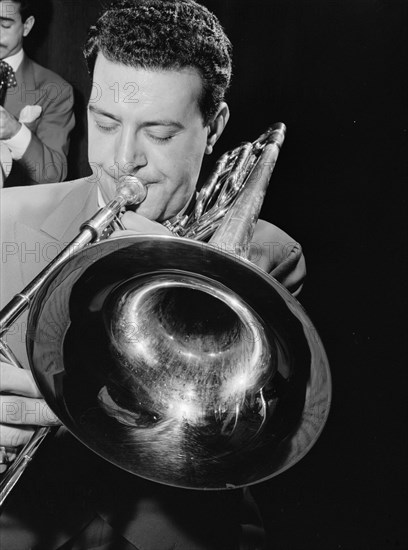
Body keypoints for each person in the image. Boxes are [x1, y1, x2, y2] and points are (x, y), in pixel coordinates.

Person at [0, 1, 306, 548]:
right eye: (105, 121)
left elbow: (225, 431)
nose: (123, 159)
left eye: (159, 133)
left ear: (214, 127)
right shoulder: (7, 219)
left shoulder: (268, 255)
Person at [0, 0, 75, 187]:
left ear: (27, 25)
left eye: (4, 25)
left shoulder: (55, 90)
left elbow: (53, 174)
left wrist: (15, 132)